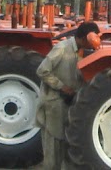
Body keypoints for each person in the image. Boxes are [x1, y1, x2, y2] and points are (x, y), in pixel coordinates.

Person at [36, 22, 100, 170]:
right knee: (53, 145)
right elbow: (42, 70)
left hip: (69, 103)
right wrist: (61, 87)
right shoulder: (62, 49)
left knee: (67, 145)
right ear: (85, 38)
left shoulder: (81, 50)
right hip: (55, 102)